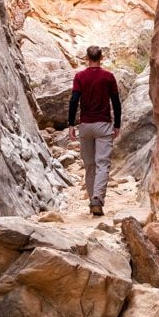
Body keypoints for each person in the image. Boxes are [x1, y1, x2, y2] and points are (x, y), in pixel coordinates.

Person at [68, 46, 121, 216]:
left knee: (90, 165)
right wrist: (117, 124)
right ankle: (97, 198)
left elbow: (74, 100)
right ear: (101, 57)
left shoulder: (80, 77)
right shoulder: (108, 76)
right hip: (103, 125)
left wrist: (71, 125)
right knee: (102, 164)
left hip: (85, 126)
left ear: (86, 58)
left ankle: (93, 200)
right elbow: (116, 102)